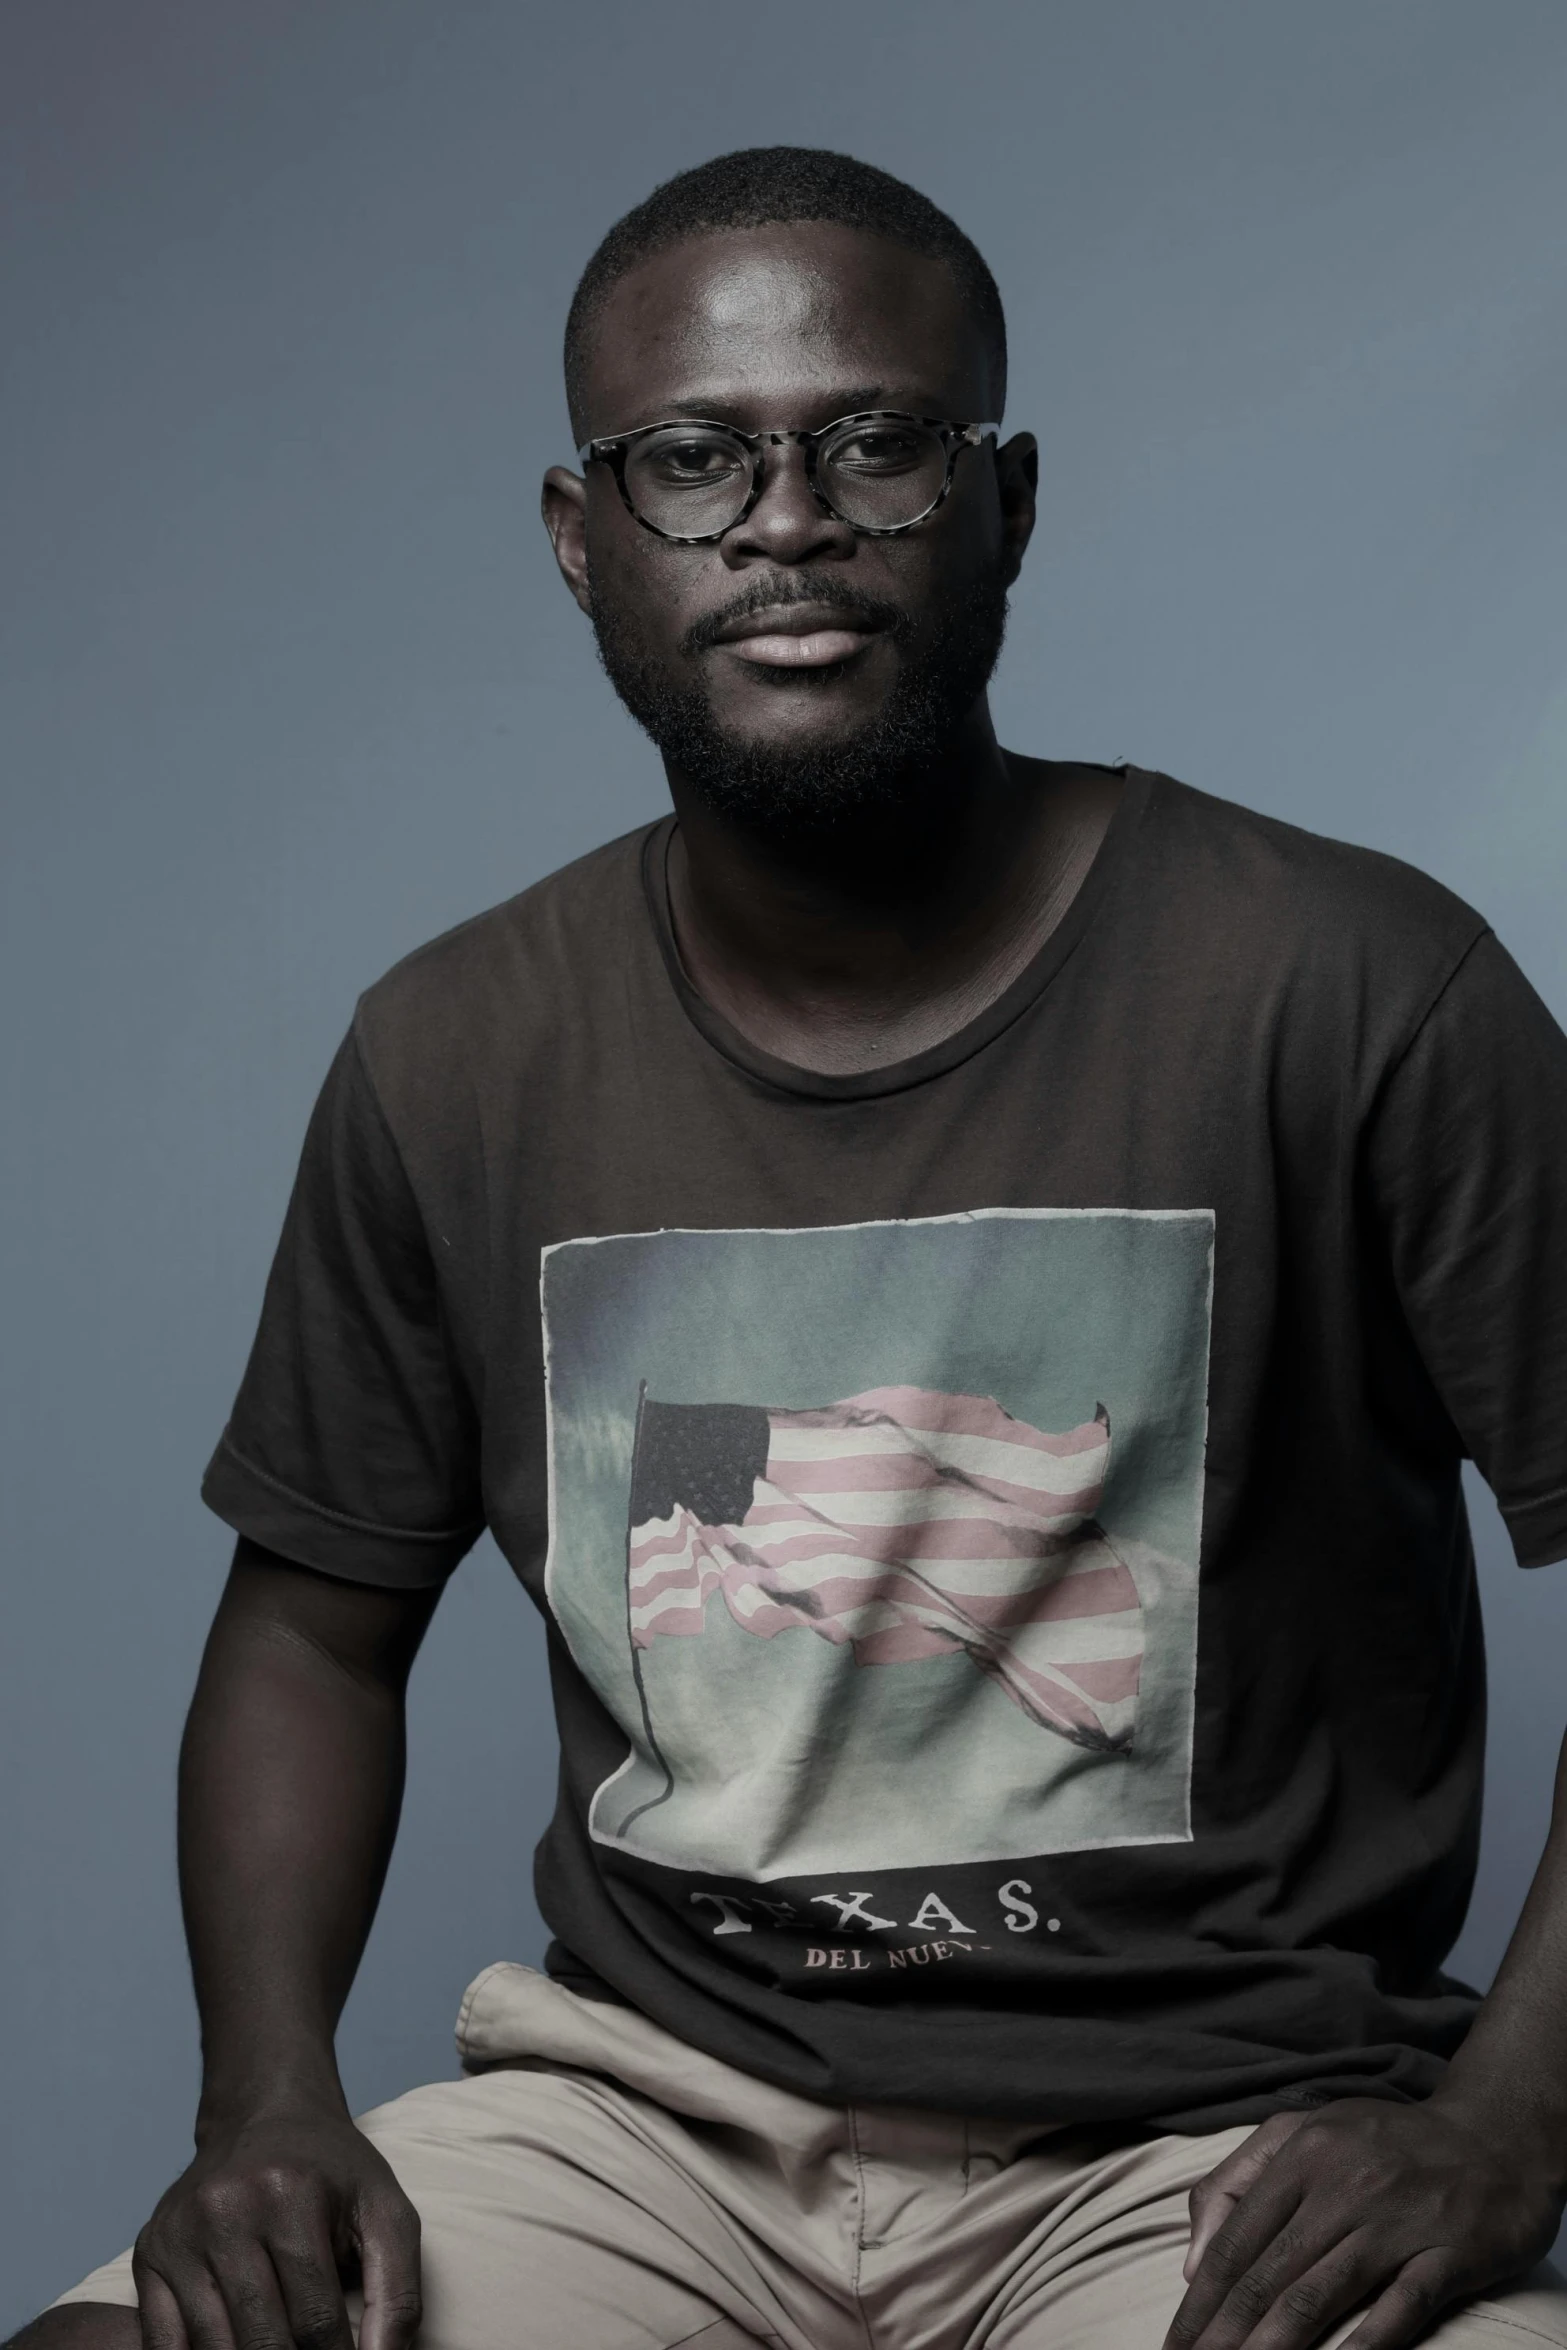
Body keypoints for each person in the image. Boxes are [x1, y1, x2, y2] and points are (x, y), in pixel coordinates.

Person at [19, 145, 1567, 2350]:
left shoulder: (1354, 988)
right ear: (583, 543)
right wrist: (262, 2097)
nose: (788, 517)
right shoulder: (454, 1050)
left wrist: (1511, 2117)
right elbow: (309, 1631)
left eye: (878, 440)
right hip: (652, 2124)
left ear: (1006, 501)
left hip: (1212, 2150)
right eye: (693, 460)